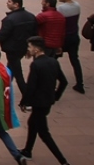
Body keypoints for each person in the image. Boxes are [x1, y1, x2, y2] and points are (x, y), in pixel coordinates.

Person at [18, 36, 67, 164]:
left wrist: (24, 102)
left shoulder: (36, 65)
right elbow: (64, 81)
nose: (28, 49)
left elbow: (31, 86)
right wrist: (56, 96)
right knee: (32, 123)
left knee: (44, 133)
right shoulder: (53, 62)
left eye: (29, 47)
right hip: (48, 101)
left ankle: (63, 161)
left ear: (35, 48)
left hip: (39, 103)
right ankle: (27, 150)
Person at [0, 0, 37, 96]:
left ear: (16, 5)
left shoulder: (9, 19)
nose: (7, 3)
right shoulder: (31, 17)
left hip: (12, 49)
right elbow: (34, 33)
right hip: (23, 48)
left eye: (9, 1)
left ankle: (27, 98)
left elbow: (2, 35)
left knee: (18, 74)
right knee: (11, 70)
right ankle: (3, 88)